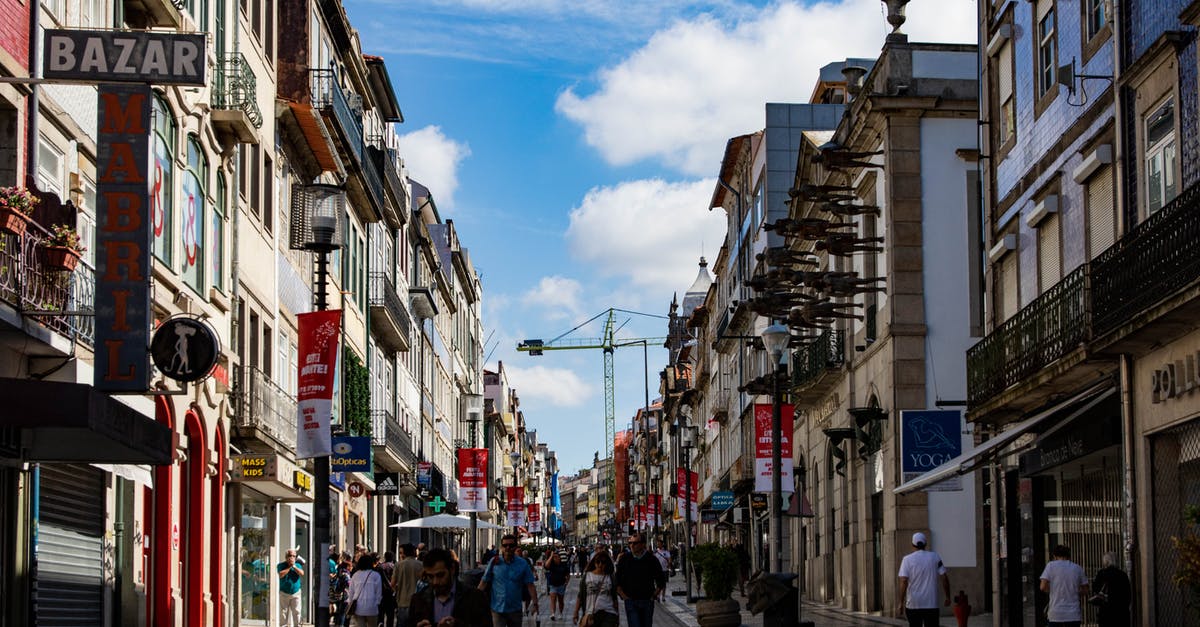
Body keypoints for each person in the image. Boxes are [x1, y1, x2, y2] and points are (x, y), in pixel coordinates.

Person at [406, 548, 490, 627]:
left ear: (452, 569)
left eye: (440, 575)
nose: (435, 582)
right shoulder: (418, 600)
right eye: (430, 577)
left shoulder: (475, 598)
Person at [479, 533, 538, 627]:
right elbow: (484, 581)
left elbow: (530, 584)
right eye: (505, 545)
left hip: (515, 610)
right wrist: (474, 598)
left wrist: (535, 603)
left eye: (511, 545)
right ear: (501, 547)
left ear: (515, 547)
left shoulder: (522, 564)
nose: (508, 547)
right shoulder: (494, 562)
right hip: (497, 609)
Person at [896, 532, 951, 627]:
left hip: (913, 604)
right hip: (931, 604)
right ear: (925, 544)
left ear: (912, 544)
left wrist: (901, 602)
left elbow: (904, 581)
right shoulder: (935, 557)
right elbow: (944, 577)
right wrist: (948, 597)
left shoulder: (907, 560)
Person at [614, 534, 665, 627]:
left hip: (647, 600)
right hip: (631, 600)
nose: (632, 545)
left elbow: (661, 580)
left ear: (643, 544)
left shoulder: (651, 559)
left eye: (635, 543)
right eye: (630, 543)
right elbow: (617, 580)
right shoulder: (625, 559)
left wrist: (653, 596)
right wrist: (624, 596)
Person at [1040, 544, 1089, 627]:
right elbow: (1086, 590)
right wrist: (1076, 594)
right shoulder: (1077, 568)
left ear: (1054, 556)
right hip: (1073, 614)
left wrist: (1053, 591)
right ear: (1069, 556)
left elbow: (1042, 587)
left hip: (1055, 614)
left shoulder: (1050, 566)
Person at [573, 550, 619, 627]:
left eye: (603, 562)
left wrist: (618, 616)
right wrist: (576, 612)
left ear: (607, 563)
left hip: (609, 613)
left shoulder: (610, 577)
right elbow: (580, 595)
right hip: (591, 614)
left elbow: (614, 598)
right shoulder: (587, 576)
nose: (600, 564)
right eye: (598, 562)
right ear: (594, 562)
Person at [1092, 552, 1131, 627]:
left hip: (1105, 613)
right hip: (1121, 614)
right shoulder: (1122, 575)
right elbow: (1128, 595)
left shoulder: (1101, 574)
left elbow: (1095, 589)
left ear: (1105, 561)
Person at [348, 553, 386, 627]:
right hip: (372, 607)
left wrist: (350, 603)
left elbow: (351, 592)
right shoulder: (376, 575)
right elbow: (379, 593)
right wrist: (377, 603)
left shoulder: (355, 575)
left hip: (358, 607)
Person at [394, 543, 425, 627]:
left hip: (402, 602)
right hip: (418, 603)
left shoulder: (398, 565)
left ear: (404, 553)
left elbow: (392, 584)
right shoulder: (421, 565)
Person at [277, 548, 305, 627]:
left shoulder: (298, 565)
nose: (292, 557)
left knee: (297, 612)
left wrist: (294, 566)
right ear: (286, 557)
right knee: (283, 614)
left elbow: (302, 573)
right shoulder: (281, 565)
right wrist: (290, 567)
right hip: (284, 593)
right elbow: (281, 574)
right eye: (290, 556)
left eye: (294, 556)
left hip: (296, 593)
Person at [544, 549, 571, 620]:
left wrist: (566, 583)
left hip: (561, 585)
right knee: (553, 599)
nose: (554, 558)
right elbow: (546, 565)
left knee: (560, 601)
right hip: (553, 585)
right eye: (554, 557)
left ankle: (560, 613)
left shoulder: (564, 565)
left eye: (556, 557)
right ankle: (553, 614)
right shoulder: (551, 564)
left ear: (559, 558)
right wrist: (551, 556)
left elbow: (568, 575)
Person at [331, 553, 353, 627]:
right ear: (347, 567)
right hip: (345, 595)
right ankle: (341, 625)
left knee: (339, 611)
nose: (352, 567)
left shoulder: (340, 572)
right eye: (351, 566)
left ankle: (337, 624)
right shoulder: (346, 574)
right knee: (343, 612)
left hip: (338, 594)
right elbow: (349, 584)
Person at [378, 552, 399, 627]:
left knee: (381, 615)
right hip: (391, 594)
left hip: (381, 594)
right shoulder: (395, 567)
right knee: (390, 616)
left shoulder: (380, 567)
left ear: (385, 557)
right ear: (392, 558)